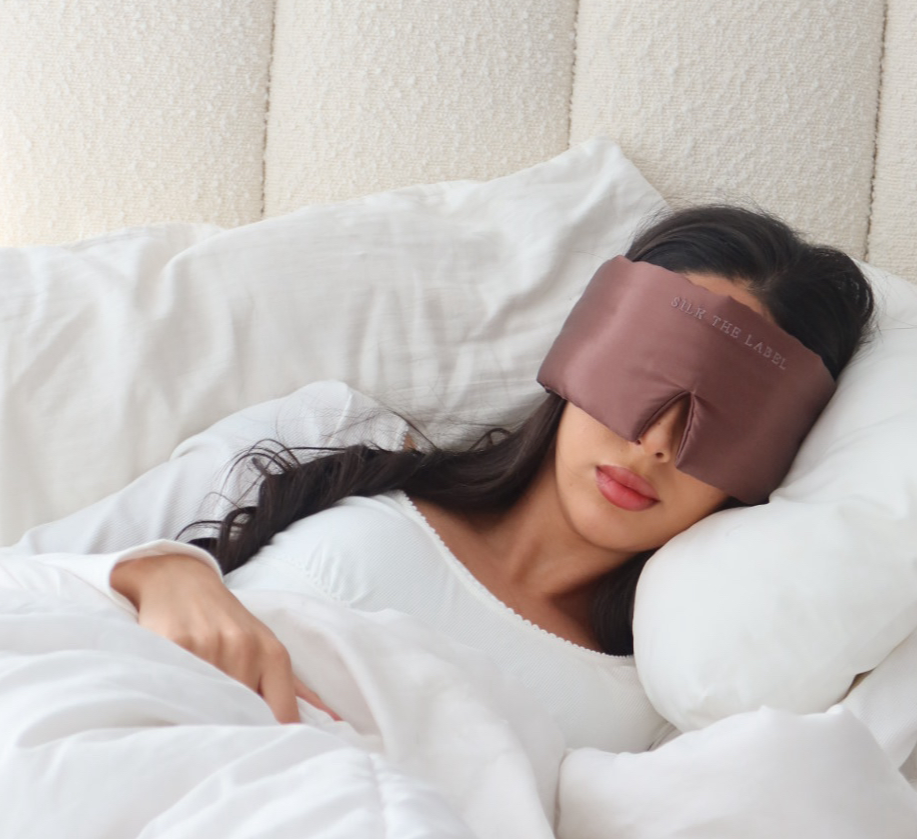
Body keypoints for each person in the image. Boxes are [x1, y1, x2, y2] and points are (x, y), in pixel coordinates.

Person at [77, 206, 881, 750]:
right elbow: (29, 581)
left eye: (725, 420)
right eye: (650, 379)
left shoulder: (660, 712)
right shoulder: (329, 439)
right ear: (591, 344)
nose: (657, 442)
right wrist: (156, 570)